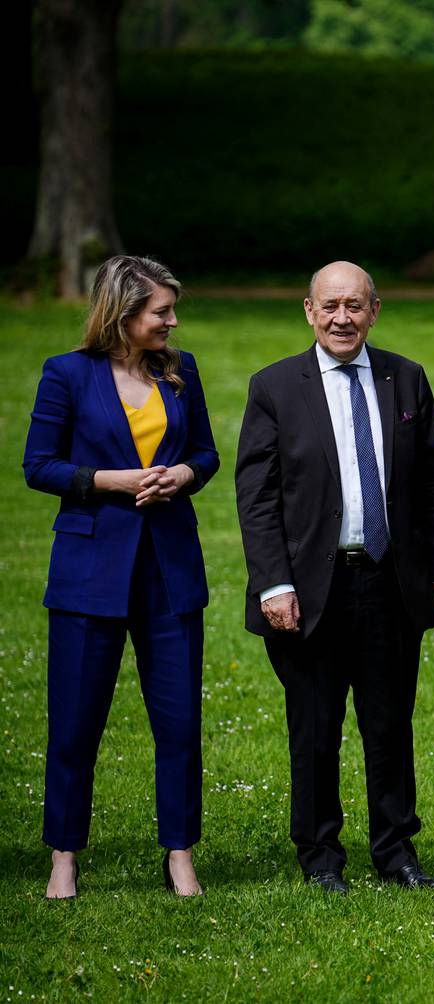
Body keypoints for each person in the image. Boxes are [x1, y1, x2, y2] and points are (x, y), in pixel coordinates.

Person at [235, 261, 434, 895]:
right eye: (330, 306)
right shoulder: (275, 387)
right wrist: (273, 584)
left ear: (374, 310)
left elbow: (431, 485)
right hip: (309, 591)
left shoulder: (406, 379)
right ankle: (321, 856)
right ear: (308, 311)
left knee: (390, 723)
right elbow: (257, 497)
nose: (342, 318)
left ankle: (396, 853)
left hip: (391, 582)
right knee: (315, 726)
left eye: (355, 306)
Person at [23, 255, 219, 899]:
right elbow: (39, 465)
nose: (171, 321)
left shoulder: (180, 371)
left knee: (179, 723)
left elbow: (206, 454)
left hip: (169, 571)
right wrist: (111, 481)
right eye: (161, 311)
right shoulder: (67, 375)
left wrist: (182, 476)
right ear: (123, 313)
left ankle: (181, 854)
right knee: (75, 723)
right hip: (89, 573)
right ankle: (64, 856)